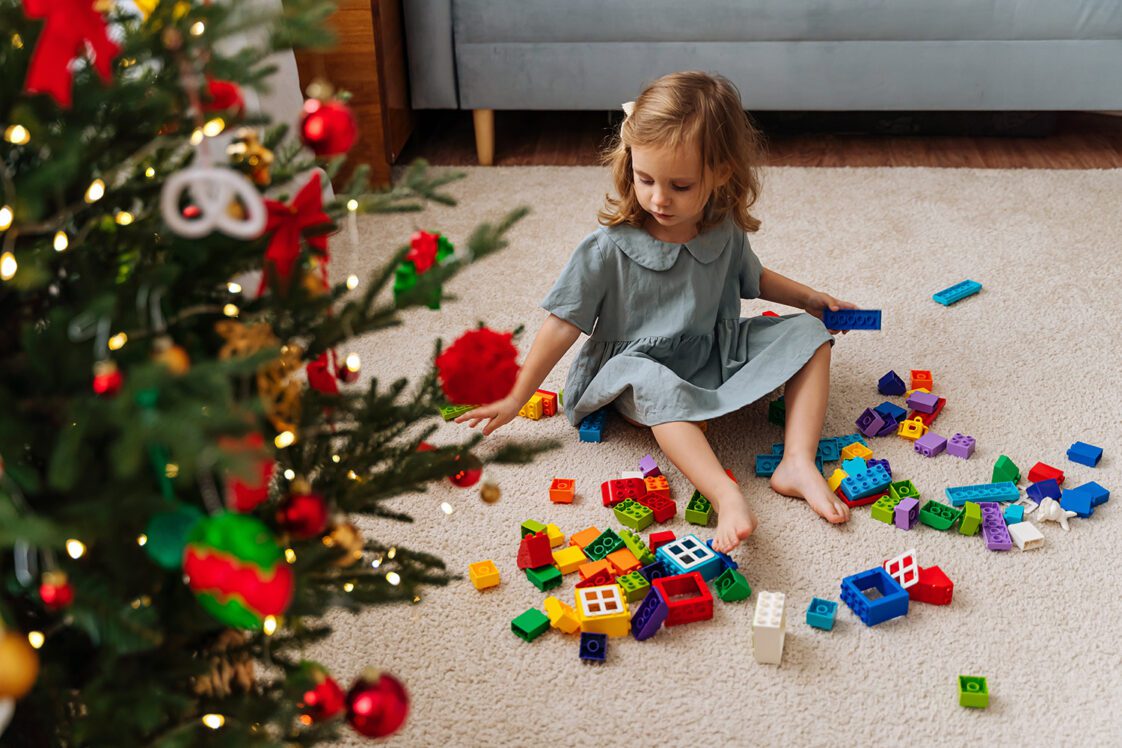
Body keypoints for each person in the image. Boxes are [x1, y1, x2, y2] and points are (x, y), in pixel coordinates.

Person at [456, 71, 857, 552]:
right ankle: (724, 492)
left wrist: (812, 299)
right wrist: (516, 396)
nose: (659, 198)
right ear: (630, 164)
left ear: (721, 174)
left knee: (810, 335)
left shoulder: (724, 230)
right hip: (636, 368)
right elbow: (562, 323)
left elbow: (755, 277)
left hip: (711, 352)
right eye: (645, 179)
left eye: (680, 185)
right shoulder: (606, 248)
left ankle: (798, 461)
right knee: (655, 383)